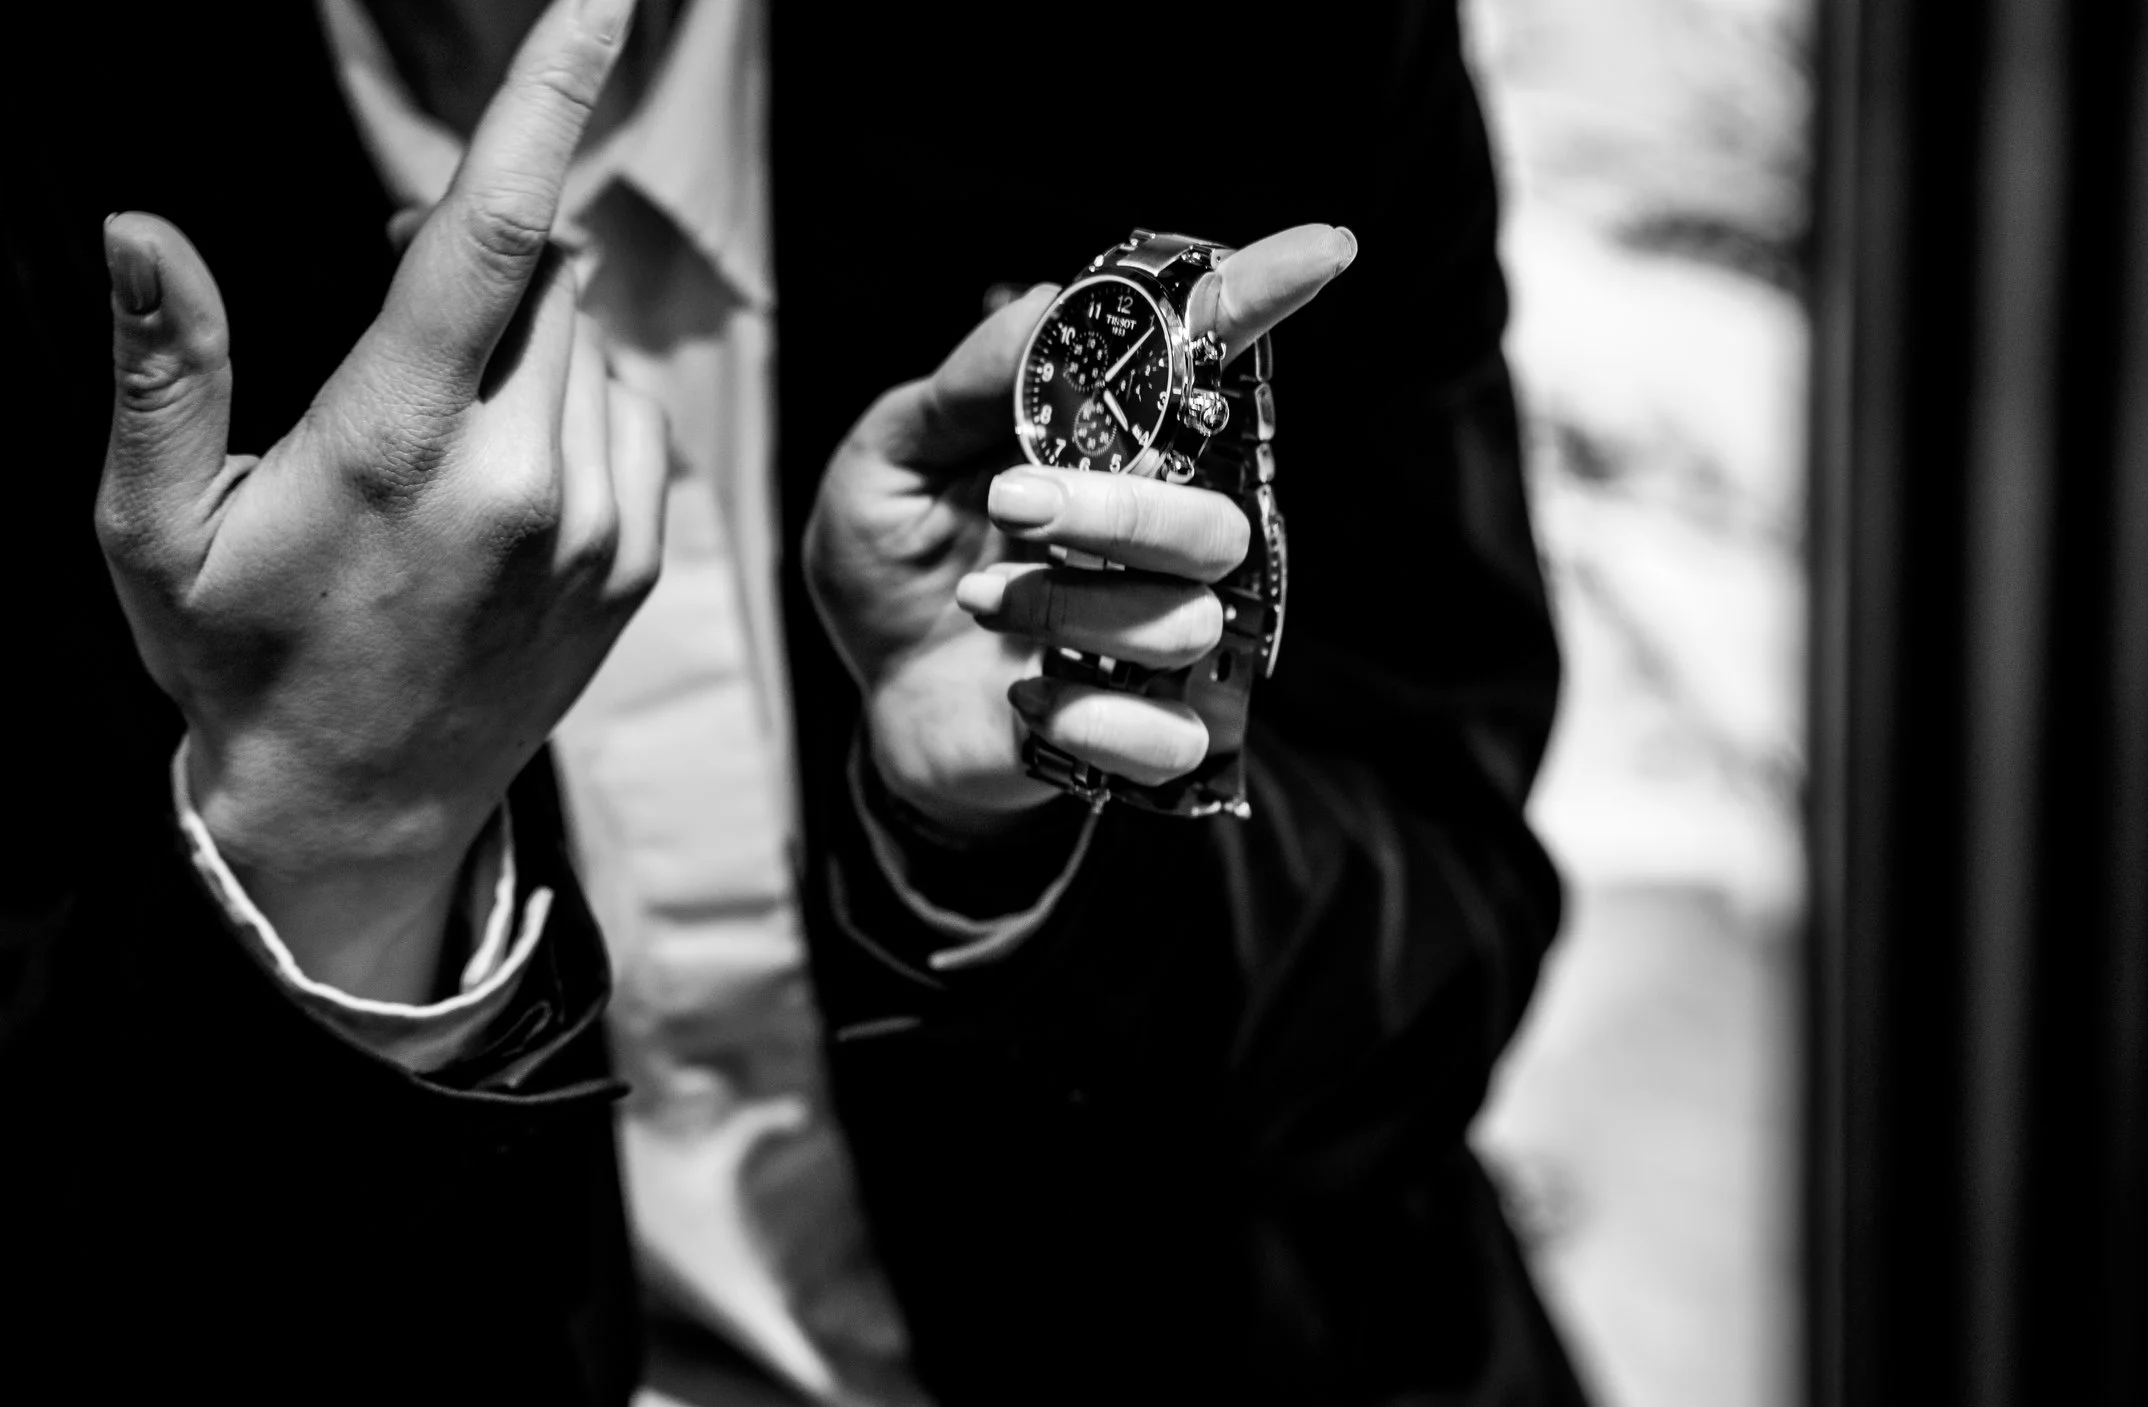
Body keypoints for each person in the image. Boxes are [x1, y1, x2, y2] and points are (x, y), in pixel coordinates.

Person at [0, 2, 1577, 1402]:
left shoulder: (1245, 50)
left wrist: (1012, 832)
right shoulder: (36, 187)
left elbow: (1448, 945)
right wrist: (329, 836)